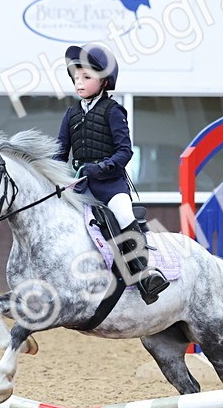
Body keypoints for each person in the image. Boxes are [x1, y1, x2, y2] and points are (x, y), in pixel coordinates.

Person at [56, 43, 169, 304]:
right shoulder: (71, 113)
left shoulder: (113, 111)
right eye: (76, 78)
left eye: (86, 77)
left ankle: (145, 274)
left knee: (123, 213)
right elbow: (60, 153)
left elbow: (124, 151)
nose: (79, 83)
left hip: (109, 185)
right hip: (80, 187)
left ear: (104, 81)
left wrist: (100, 167)